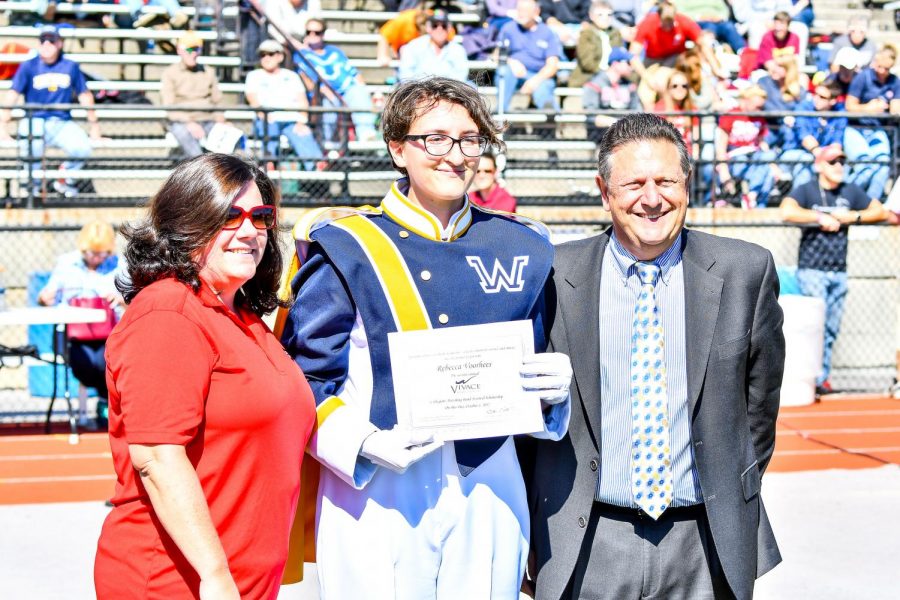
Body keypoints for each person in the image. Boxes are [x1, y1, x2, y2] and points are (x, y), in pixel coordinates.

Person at [281, 76, 572, 598]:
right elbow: (303, 379)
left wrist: (552, 398)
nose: (454, 154)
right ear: (398, 148)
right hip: (375, 486)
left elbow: (536, 366)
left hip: (488, 481)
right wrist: (362, 443)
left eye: (468, 138)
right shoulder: (345, 245)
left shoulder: (523, 243)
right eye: (433, 138)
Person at [521, 112, 785, 600]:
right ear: (605, 192)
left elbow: (758, 414)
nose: (652, 198)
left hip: (704, 543)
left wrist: (730, 490)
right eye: (634, 183)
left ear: (687, 184)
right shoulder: (551, 275)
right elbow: (525, 422)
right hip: (587, 538)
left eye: (666, 181)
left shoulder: (746, 271)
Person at [94, 154, 315, 599]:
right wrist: (215, 575)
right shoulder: (168, 313)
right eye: (229, 216)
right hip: (176, 581)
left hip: (244, 578)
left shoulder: (243, 315)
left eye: (261, 216)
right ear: (187, 223)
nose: (250, 230)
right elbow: (157, 457)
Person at [779, 144, 885, 395]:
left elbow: (879, 210)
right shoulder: (808, 190)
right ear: (820, 166)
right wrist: (818, 218)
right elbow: (787, 210)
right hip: (813, 269)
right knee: (814, 327)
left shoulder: (849, 190)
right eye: (832, 162)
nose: (838, 167)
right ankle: (810, 378)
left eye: (841, 162)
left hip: (839, 269)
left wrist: (852, 217)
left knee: (831, 328)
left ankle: (821, 379)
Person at [37, 221, 124, 428]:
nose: (96, 258)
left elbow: (131, 296)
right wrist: (45, 298)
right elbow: (48, 295)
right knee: (85, 364)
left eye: (101, 253)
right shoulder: (66, 264)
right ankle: (103, 396)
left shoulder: (118, 265)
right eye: (90, 253)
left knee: (106, 363)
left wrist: (119, 299)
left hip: (108, 331)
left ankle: (105, 402)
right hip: (76, 333)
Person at [0, 25, 100, 198]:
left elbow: (84, 94)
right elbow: (12, 94)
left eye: (51, 40)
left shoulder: (70, 66)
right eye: (43, 40)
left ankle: (64, 179)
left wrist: (94, 126)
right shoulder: (28, 66)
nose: (46, 44)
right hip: (34, 119)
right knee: (32, 146)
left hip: (61, 121)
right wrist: (3, 125)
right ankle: (34, 185)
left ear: (59, 43)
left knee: (83, 148)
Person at [294, 17, 378, 142]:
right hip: (323, 94)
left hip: (345, 90)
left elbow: (353, 73)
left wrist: (363, 89)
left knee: (358, 92)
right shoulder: (301, 55)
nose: (312, 35)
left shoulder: (334, 51)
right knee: (331, 102)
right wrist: (329, 94)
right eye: (308, 32)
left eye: (317, 32)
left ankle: (366, 134)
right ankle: (328, 143)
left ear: (323, 34)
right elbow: (308, 82)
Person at [244, 39, 323, 171]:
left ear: (280, 56)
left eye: (270, 54)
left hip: (292, 119)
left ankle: (316, 165)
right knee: (268, 128)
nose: (266, 58)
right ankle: (268, 163)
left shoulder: (292, 76)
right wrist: (263, 115)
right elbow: (253, 100)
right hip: (268, 118)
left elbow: (302, 101)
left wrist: (302, 121)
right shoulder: (253, 76)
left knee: (302, 132)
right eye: (262, 55)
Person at [843, 44, 900, 200]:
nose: (882, 72)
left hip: (877, 128)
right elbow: (849, 106)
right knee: (865, 164)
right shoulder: (863, 77)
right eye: (880, 67)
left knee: (882, 164)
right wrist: (868, 108)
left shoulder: (894, 81)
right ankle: (846, 198)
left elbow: (895, 105)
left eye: (886, 69)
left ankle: (870, 203)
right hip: (856, 127)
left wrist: (892, 108)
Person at [160, 31, 225, 158]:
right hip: (181, 121)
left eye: (197, 49)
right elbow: (169, 107)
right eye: (189, 49)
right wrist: (189, 123)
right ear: (179, 50)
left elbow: (218, 102)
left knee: (232, 137)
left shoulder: (208, 72)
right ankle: (200, 167)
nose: (193, 53)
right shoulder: (170, 73)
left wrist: (221, 121)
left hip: (208, 119)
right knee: (184, 135)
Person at [714, 84, 781, 208]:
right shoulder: (732, 114)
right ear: (746, 100)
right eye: (757, 106)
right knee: (756, 167)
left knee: (769, 170)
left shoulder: (759, 117)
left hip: (755, 155)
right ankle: (754, 199)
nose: (759, 110)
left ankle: (753, 199)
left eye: (761, 107)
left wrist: (774, 165)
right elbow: (721, 143)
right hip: (736, 156)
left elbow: (761, 142)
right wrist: (723, 167)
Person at [629, 0, 726, 83]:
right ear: (658, 17)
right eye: (664, 23)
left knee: (684, 67)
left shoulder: (683, 21)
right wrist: (647, 77)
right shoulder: (648, 22)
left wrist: (716, 69)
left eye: (670, 23)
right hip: (653, 59)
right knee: (644, 86)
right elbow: (633, 54)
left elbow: (704, 45)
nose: (668, 27)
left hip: (675, 58)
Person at [496, 0, 563, 114]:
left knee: (544, 88)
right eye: (519, 10)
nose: (521, 13)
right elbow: (497, 54)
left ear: (536, 12)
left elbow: (552, 65)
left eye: (525, 10)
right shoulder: (508, 29)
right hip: (514, 74)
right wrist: (510, 61)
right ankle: (500, 116)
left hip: (538, 74)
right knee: (504, 72)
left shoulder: (547, 32)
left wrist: (535, 80)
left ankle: (551, 121)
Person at [778, 80, 846, 186]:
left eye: (822, 97)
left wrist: (829, 159)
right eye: (815, 94)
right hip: (794, 153)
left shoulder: (839, 113)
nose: (816, 99)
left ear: (832, 101)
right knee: (806, 160)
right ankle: (801, 201)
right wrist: (823, 157)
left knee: (839, 163)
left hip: (822, 156)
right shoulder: (804, 107)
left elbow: (836, 142)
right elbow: (805, 137)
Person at [398, 9, 469, 83]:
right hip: (418, 91)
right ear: (428, 28)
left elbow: (461, 77)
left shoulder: (458, 50)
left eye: (444, 26)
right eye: (434, 25)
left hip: (450, 92)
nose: (439, 29)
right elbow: (405, 75)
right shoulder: (414, 46)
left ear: (449, 28)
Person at [570, 0, 624, 89]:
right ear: (591, 16)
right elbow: (588, 64)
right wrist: (607, 73)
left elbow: (619, 57)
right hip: (589, 77)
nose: (605, 18)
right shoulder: (586, 34)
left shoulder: (615, 33)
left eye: (609, 15)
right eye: (600, 15)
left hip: (614, 75)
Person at [673, 0, 745, 52]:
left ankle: (742, 51)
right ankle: (713, 50)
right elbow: (680, 12)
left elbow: (723, 9)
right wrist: (699, 17)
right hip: (696, 22)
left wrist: (720, 17)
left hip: (717, 21)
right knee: (710, 27)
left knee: (729, 26)